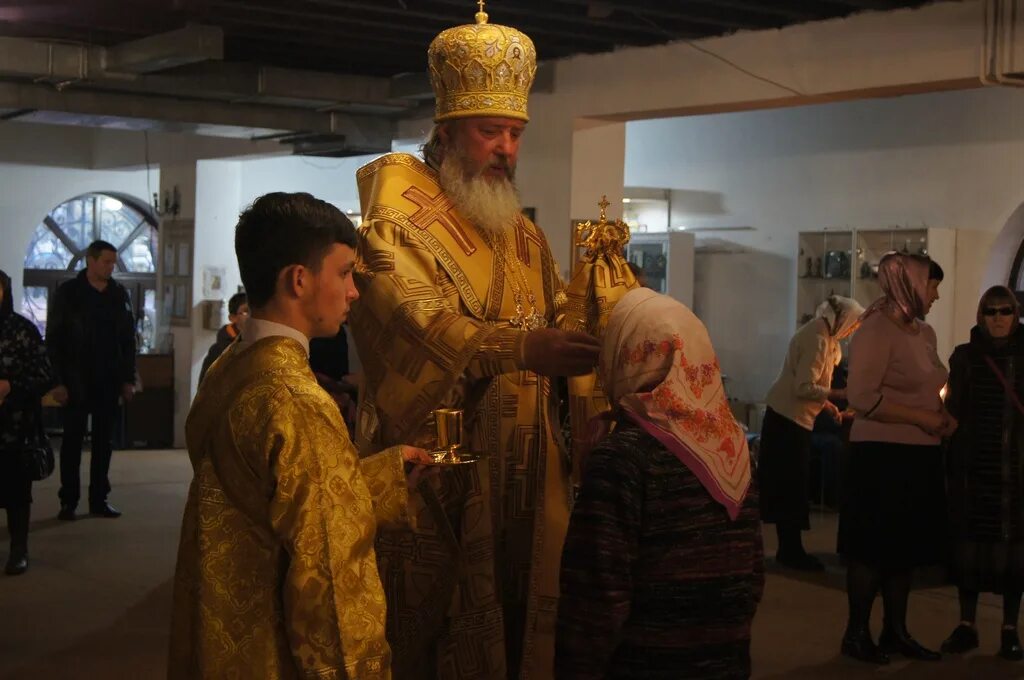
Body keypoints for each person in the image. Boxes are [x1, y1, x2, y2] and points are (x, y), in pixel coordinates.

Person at [349, 6, 601, 678]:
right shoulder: (396, 221)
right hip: (437, 470)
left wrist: (605, 306)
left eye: (515, 133)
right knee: (431, 636)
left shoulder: (524, 234)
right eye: (491, 131)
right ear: (449, 127)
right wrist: (520, 350)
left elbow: (557, 317)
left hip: (524, 469)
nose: (507, 149)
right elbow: (412, 325)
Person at [168, 192, 433, 679]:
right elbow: (330, 583)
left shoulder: (230, 369)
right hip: (269, 652)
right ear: (299, 279)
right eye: (344, 272)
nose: (354, 291)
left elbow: (264, 497)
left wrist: (380, 478)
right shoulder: (297, 401)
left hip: (219, 635)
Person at [556, 288, 763, 679]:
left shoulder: (622, 458)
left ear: (622, 354)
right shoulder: (733, 448)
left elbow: (596, 602)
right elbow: (751, 581)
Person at [838, 253, 955, 664]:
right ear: (910, 283)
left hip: (918, 454)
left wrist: (941, 416)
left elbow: (934, 381)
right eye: (932, 285)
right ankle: (856, 633)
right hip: (881, 454)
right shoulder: (875, 329)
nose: (937, 295)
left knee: (904, 549)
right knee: (872, 548)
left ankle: (895, 630)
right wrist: (921, 416)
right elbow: (862, 397)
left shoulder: (923, 332)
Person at [942, 285, 1024, 661]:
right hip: (974, 468)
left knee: (1014, 554)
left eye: (1005, 310)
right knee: (970, 548)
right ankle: (967, 624)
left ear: (1015, 313)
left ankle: (1010, 628)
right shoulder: (965, 357)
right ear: (981, 314)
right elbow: (952, 410)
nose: (997, 318)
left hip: (1017, 470)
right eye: (990, 311)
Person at [760, 295, 863, 570]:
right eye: (852, 326)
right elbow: (803, 387)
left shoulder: (825, 337)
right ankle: (790, 551)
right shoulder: (817, 339)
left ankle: (790, 548)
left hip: (794, 419)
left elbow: (811, 384)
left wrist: (827, 405)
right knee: (790, 485)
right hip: (787, 421)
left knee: (793, 485)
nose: (852, 331)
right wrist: (839, 394)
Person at [46, 239, 136, 520]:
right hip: (75, 379)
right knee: (72, 442)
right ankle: (68, 501)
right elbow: (55, 339)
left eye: (113, 262)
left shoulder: (119, 294)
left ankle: (99, 498)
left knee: (103, 443)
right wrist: (57, 381)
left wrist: (127, 378)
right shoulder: (70, 293)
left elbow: (127, 341)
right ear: (90, 260)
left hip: (107, 379)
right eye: (106, 262)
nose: (111, 267)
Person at [0, 270, 56, 575]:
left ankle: (18, 550)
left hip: (14, 428)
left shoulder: (22, 330)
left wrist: (12, 387)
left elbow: (45, 376)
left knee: (16, 493)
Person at [197, 290, 248, 384]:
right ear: (232, 317)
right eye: (246, 311)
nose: (251, 316)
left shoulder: (257, 343)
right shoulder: (218, 351)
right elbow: (204, 388)